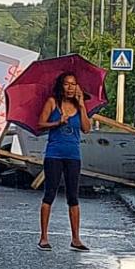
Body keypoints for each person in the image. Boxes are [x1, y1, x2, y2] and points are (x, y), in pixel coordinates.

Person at [37, 72, 92, 252]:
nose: (70, 88)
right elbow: (41, 123)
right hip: (54, 154)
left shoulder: (79, 105)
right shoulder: (53, 102)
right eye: (67, 84)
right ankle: (44, 237)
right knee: (50, 194)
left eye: (73, 84)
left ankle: (75, 238)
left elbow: (86, 129)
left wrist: (82, 106)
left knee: (73, 196)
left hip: (73, 156)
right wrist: (57, 123)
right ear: (61, 86)